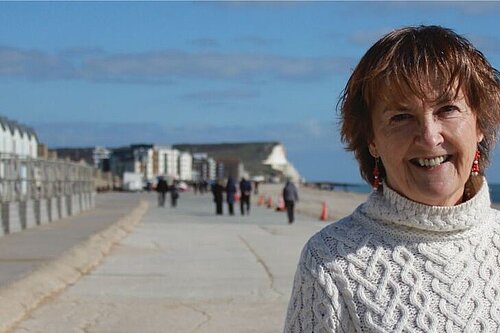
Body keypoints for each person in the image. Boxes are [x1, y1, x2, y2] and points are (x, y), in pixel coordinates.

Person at [284, 25, 500, 332]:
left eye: (447, 109)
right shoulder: (330, 261)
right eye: (401, 117)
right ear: (371, 139)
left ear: (480, 124)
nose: (429, 136)